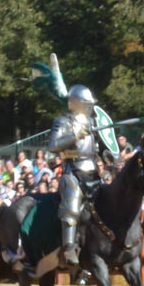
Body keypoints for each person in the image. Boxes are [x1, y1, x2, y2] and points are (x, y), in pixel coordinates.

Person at [47, 84, 118, 266]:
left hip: (93, 171)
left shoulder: (93, 122)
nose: (90, 107)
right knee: (71, 206)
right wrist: (75, 136)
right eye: (87, 103)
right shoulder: (63, 121)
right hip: (73, 170)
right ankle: (69, 247)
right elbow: (53, 145)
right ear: (77, 103)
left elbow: (97, 147)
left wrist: (106, 155)